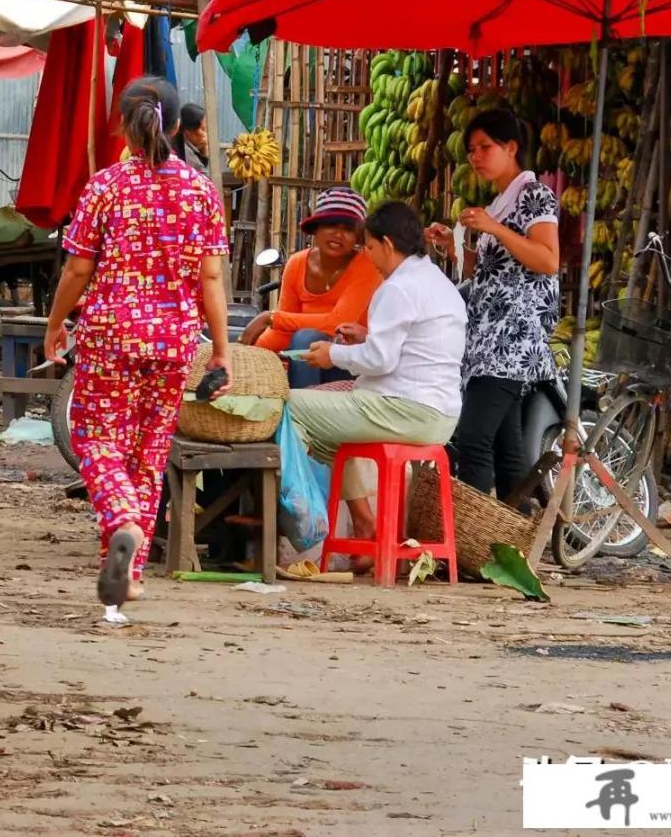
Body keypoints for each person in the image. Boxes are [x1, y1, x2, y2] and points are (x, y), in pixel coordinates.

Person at [44, 77, 232, 610]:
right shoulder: (201, 191)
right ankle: (129, 573)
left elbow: (79, 269)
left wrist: (56, 322)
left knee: (97, 443)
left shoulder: (105, 186)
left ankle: (121, 523)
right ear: (175, 126)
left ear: (125, 127)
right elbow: (211, 281)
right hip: (175, 342)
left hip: (110, 336)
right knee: (148, 457)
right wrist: (221, 350)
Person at [288, 201, 467, 540]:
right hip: (439, 413)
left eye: (369, 247)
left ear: (386, 244)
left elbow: (380, 361)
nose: (367, 256)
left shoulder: (397, 287)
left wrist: (333, 355)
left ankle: (299, 522)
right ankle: (364, 522)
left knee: (289, 405)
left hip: (404, 409)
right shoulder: (437, 282)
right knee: (334, 430)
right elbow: (416, 348)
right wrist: (367, 337)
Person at [422, 109, 561, 504]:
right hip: (487, 338)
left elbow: (548, 260)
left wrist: (495, 229)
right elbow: (487, 275)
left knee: (473, 437)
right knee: (506, 444)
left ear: (511, 147)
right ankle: (514, 532)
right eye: (471, 150)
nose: (475, 156)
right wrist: (453, 246)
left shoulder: (534, 195)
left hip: (513, 340)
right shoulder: (501, 201)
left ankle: (476, 541)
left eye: (485, 147)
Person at [242, 187, 380, 387]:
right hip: (307, 361)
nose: (339, 234)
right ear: (315, 228)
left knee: (307, 337)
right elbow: (282, 331)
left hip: (351, 362)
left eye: (348, 229)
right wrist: (249, 353)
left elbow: (339, 323)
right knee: (298, 341)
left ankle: (301, 409)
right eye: (330, 225)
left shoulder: (368, 264)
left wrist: (270, 318)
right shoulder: (297, 263)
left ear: (358, 236)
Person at [171, 103, 209, 172]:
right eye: (203, 129)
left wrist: (204, 149)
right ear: (188, 131)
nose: (205, 134)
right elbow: (204, 177)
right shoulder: (186, 153)